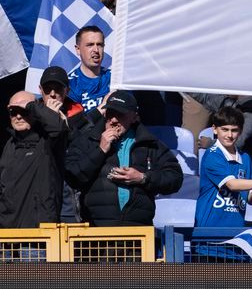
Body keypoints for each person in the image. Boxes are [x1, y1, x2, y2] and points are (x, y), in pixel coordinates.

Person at [64, 90, 182, 226]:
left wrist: (143, 178)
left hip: (138, 232)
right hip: (96, 233)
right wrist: (100, 150)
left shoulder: (149, 143)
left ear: (134, 117)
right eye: (110, 114)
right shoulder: (88, 140)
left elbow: (175, 178)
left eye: (120, 115)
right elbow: (72, 176)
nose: (113, 120)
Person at [196, 104, 252, 228]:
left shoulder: (245, 158)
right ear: (215, 129)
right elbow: (232, 185)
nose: (230, 135)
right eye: (225, 129)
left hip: (236, 231)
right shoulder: (212, 155)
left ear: (241, 131)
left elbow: (249, 200)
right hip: (209, 231)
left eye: (234, 130)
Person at [0, 90, 67, 228]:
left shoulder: (47, 141)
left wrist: (32, 106)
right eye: (13, 112)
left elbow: (57, 127)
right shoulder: (9, 145)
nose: (18, 116)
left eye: (24, 111)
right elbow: (4, 191)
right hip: (7, 235)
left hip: (37, 237)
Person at [67, 26, 110, 113]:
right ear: (78, 49)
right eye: (90, 45)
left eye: (100, 45)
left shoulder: (114, 79)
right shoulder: (70, 84)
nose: (96, 50)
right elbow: (74, 124)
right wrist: (100, 110)